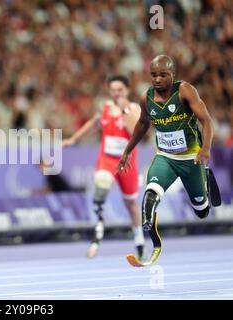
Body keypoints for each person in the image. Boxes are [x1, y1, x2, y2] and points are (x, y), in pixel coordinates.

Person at [118, 55, 214, 264]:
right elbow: (143, 124)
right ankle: (149, 230)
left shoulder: (185, 91)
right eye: (153, 75)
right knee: (150, 193)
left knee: (202, 211)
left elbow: (206, 120)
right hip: (165, 157)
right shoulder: (146, 98)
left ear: (173, 75)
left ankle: (204, 187)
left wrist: (205, 149)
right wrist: (127, 150)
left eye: (163, 75)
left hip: (192, 159)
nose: (157, 79)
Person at [63, 75, 145, 259]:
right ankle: (96, 238)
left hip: (127, 163)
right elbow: (93, 124)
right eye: (113, 90)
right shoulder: (105, 108)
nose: (116, 94)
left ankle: (139, 240)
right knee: (100, 192)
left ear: (127, 91)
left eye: (120, 90)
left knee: (131, 203)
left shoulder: (134, 109)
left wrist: (124, 109)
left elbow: (136, 134)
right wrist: (73, 139)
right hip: (107, 159)